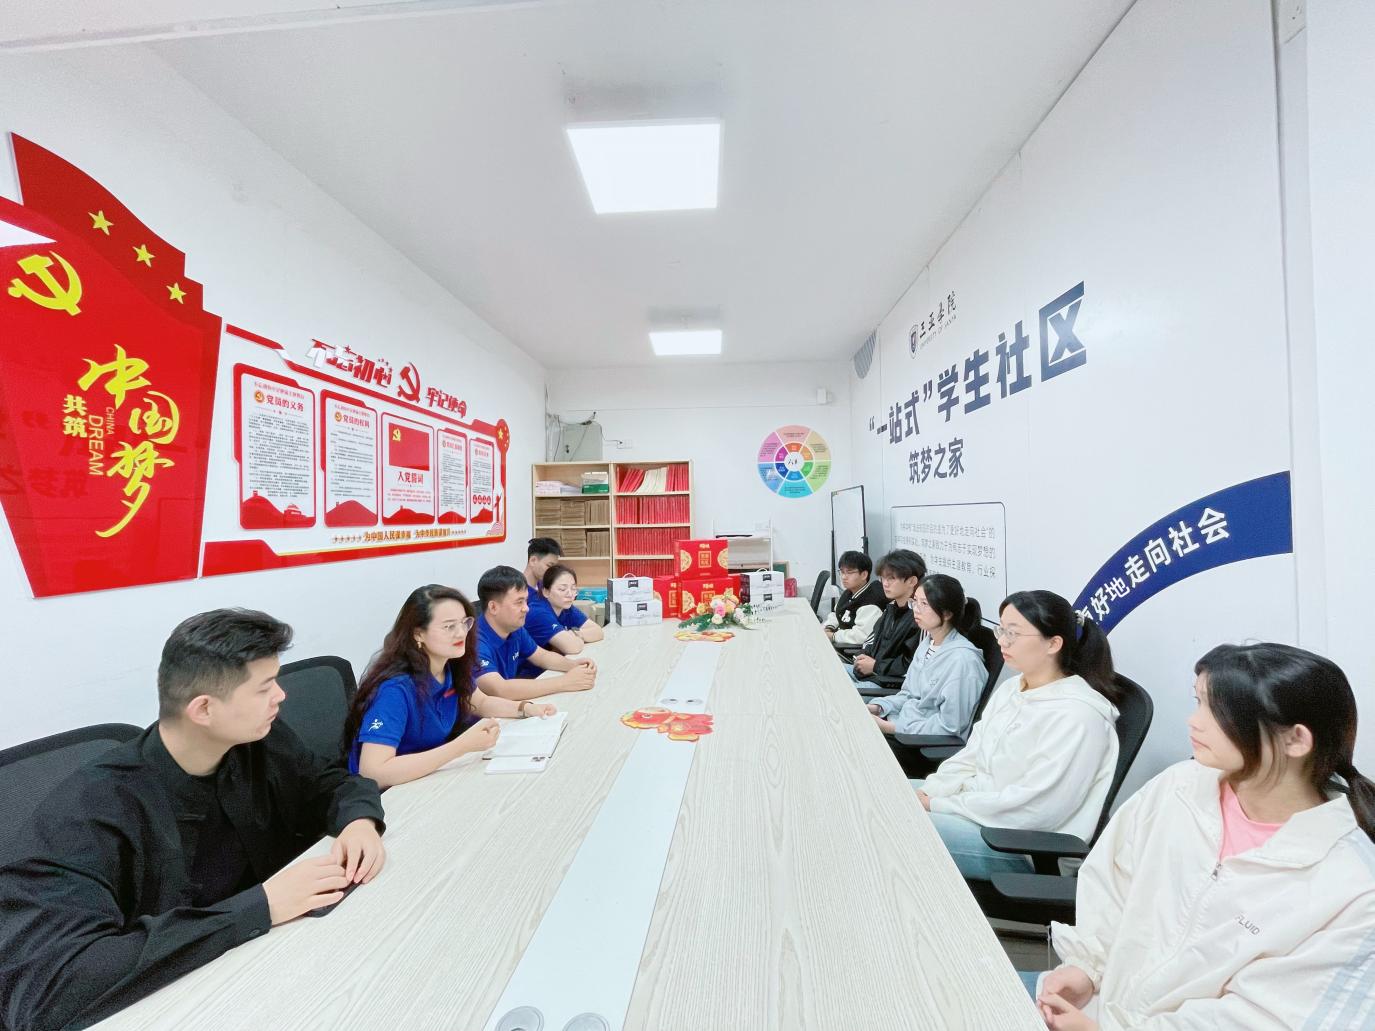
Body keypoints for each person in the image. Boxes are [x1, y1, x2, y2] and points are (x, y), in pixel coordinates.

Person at [0, 609, 387, 1031]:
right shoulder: (92, 811)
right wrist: (260, 907)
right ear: (203, 709)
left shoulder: (255, 740)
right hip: (180, 1002)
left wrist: (359, 821)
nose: (281, 696)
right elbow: (47, 991)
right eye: (264, 688)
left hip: (278, 962)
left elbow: (328, 782)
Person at [1032, 643, 1375, 1031]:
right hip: (1097, 1008)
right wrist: (1086, 969)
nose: (1194, 721)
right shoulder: (1178, 788)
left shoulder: (1352, 891)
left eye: (1218, 711)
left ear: (1295, 740)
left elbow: (1267, 1019)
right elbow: (1113, 885)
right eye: (1198, 702)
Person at [914, 590, 1120, 882]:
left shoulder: (1079, 716)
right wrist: (934, 789)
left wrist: (937, 804)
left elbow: (1035, 810)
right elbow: (971, 756)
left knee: (897, 824)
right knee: (886, 792)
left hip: (1018, 844)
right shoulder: (1013, 688)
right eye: (1001, 630)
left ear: (1053, 643)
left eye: (1013, 633)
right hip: (976, 808)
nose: (1002, 641)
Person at [344, 584, 558, 789]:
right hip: (392, 794)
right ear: (418, 634)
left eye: (464, 623)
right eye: (449, 626)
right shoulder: (395, 690)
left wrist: (525, 708)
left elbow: (482, 702)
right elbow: (374, 773)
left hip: (428, 777)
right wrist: (461, 746)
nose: (461, 633)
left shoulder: (450, 667)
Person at [867, 573, 987, 738]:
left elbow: (950, 726)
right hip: (902, 724)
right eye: (915, 601)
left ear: (946, 613)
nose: (916, 609)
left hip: (919, 741)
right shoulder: (928, 643)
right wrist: (879, 707)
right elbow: (909, 695)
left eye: (924, 604)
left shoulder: (963, 661)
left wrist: (890, 728)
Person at [476, 565, 597, 700]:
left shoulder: (515, 628)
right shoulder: (474, 642)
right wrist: (565, 682)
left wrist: (573, 665)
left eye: (526, 601)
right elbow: (499, 689)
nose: (526, 608)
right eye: (519, 603)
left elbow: (541, 656)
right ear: (493, 607)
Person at [847, 549, 926, 684]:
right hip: (872, 675)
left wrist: (875, 666)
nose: (885, 583)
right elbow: (871, 641)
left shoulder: (921, 617)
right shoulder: (890, 608)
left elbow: (915, 666)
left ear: (912, 581)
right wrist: (862, 656)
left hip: (889, 684)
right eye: (882, 578)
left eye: (891, 578)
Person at [822, 550, 886, 652]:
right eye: (842, 572)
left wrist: (833, 636)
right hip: (839, 642)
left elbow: (861, 636)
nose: (843, 577)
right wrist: (828, 627)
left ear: (864, 575)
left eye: (849, 572)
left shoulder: (871, 603)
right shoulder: (849, 591)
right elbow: (837, 613)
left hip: (851, 652)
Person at [535, 563, 604, 652]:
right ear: (546, 592)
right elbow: (573, 647)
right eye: (562, 589)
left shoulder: (567, 609)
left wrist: (575, 633)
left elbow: (598, 632)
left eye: (573, 588)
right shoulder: (539, 612)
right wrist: (573, 639)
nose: (570, 594)